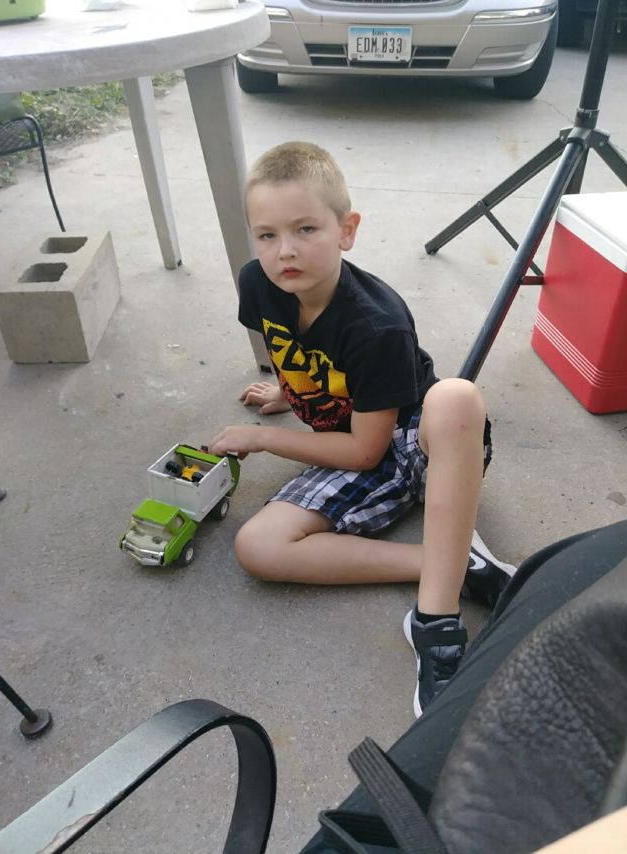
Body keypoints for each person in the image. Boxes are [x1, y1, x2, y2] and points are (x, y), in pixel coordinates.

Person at [209, 141, 516, 715]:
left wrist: (261, 438)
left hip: (415, 443)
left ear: (346, 231)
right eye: (267, 235)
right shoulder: (258, 283)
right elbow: (289, 346)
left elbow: (365, 452)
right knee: (257, 546)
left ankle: (435, 619)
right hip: (351, 442)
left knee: (456, 398)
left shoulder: (377, 325)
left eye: (306, 229)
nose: (285, 251)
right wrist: (289, 391)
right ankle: (454, 563)